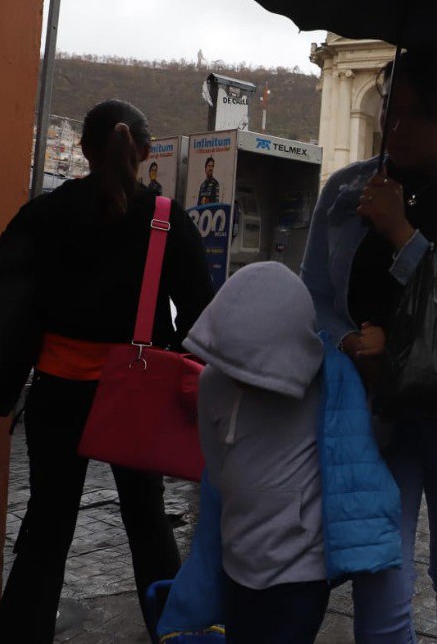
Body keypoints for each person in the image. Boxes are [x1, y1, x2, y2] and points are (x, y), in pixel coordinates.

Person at [302, 46, 437, 642]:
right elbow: (315, 296)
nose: (396, 127)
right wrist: (348, 340)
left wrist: (402, 233)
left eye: (419, 114)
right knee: (379, 579)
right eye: (390, 110)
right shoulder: (348, 190)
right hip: (374, 414)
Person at [0, 100, 214, 644]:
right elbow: (204, 316)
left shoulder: (44, 213)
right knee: (147, 520)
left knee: (46, 524)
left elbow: (5, 300)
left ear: (86, 150)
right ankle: (176, 635)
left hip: (56, 392)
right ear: (142, 150)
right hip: (135, 395)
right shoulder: (164, 218)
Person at [187, 262, 331, 643]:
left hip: (302, 570)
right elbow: (214, 464)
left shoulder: (325, 385)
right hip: (237, 558)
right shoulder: (211, 384)